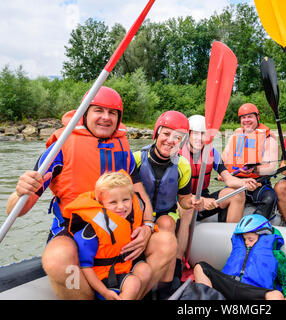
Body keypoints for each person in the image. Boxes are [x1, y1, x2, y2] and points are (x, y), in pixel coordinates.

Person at [5, 86, 172, 300]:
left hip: (123, 228)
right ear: (85, 114)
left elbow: (140, 196)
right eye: (98, 110)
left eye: (112, 113)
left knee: (166, 242)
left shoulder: (124, 151)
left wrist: (148, 226)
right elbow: (16, 211)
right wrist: (20, 193)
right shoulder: (59, 149)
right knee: (57, 259)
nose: (105, 117)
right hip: (75, 229)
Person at [131, 110, 203, 298]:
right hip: (138, 215)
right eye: (166, 134)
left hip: (166, 213)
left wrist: (192, 202)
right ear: (156, 133)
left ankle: (164, 286)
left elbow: (183, 200)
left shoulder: (183, 165)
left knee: (167, 224)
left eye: (178, 137)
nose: (171, 140)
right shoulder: (136, 159)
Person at [177, 115, 260, 266]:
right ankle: (178, 263)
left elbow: (228, 179)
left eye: (203, 134)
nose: (199, 138)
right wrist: (197, 200)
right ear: (187, 134)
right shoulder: (177, 154)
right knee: (188, 210)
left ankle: (231, 244)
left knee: (238, 193)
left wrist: (243, 182)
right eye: (195, 133)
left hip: (205, 198)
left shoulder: (212, 152)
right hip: (184, 202)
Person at [66, 171, 152, 300]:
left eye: (126, 200)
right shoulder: (91, 232)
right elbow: (85, 266)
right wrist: (104, 292)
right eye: (113, 202)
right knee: (133, 283)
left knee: (145, 269)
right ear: (101, 203)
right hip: (102, 277)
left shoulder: (128, 220)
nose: (121, 206)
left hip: (122, 268)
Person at [193, 214, 286, 300]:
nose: (247, 243)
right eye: (244, 239)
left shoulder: (276, 256)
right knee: (200, 267)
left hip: (253, 292)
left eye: (250, 239)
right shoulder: (238, 252)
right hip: (230, 285)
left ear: (263, 237)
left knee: (276, 296)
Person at [222, 103, 279, 219]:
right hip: (236, 182)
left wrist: (255, 169)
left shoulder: (269, 140)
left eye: (250, 117)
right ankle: (224, 227)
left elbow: (271, 168)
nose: (246, 120)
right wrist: (223, 173)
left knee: (270, 198)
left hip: (257, 184)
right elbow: (224, 158)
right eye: (243, 117)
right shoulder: (234, 137)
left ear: (257, 118)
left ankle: (255, 227)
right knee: (223, 201)